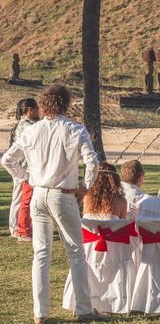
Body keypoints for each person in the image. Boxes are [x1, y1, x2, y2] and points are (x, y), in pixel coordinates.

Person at [1, 84, 103, 323]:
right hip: (62, 194)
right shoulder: (75, 130)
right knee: (76, 252)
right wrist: (85, 186)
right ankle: (84, 309)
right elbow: (92, 162)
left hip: (39, 194)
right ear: (66, 104)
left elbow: (8, 159)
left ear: (44, 104)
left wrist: (27, 178)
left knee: (41, 254)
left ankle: (41, 314)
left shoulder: (32, 131)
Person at [8, 98, 39, 242]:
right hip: (23, 167)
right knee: (20, 199)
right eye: (37, 108)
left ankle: (18, 227)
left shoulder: (22, 124)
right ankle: (16, 228)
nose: (39, 111)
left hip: (21, 165)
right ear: (30, 110)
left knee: (20, 198)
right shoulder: (28, 126)